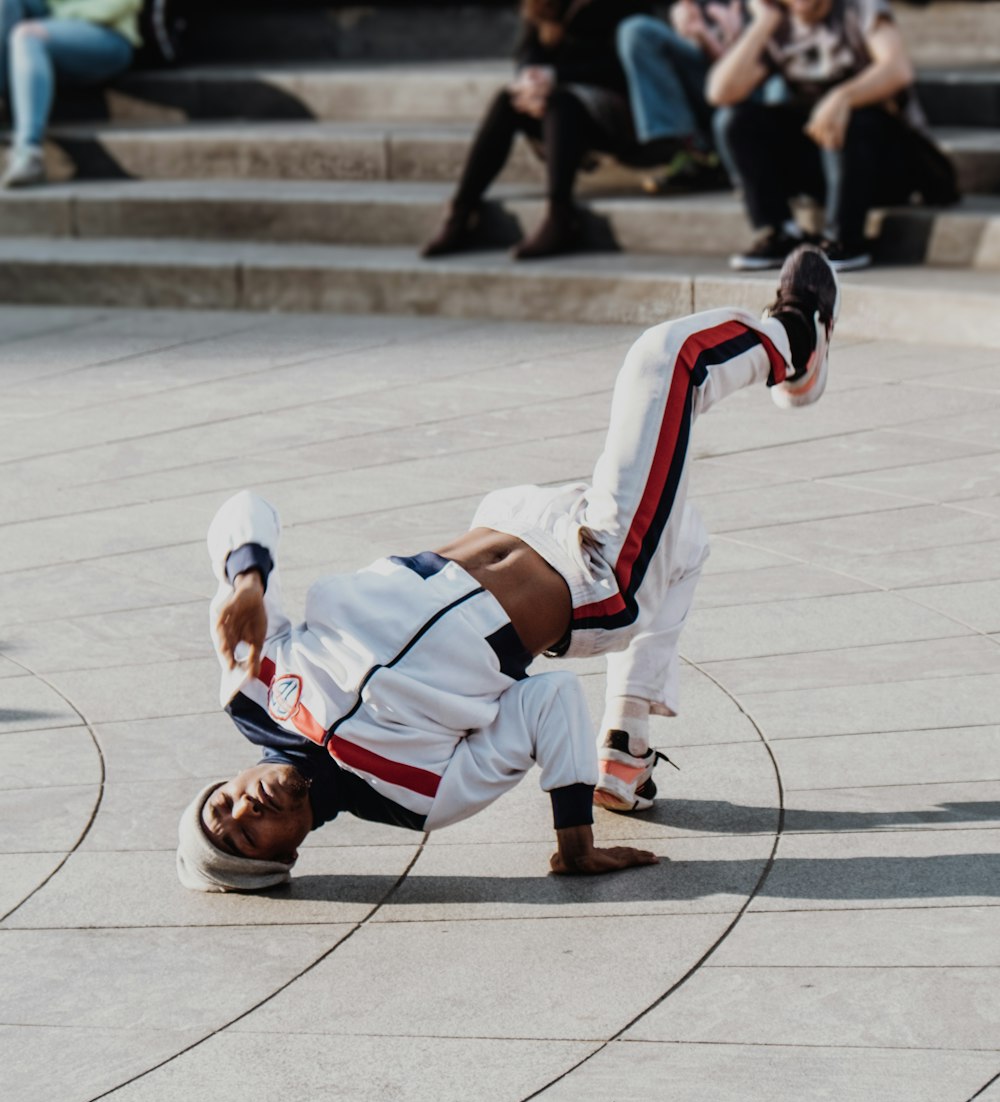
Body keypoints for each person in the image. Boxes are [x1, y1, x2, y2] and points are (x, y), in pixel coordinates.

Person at [177, 245, 840, 893]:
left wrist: (246, 580)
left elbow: (246, 507)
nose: (244, 812)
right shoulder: (416, 795)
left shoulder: (252, 687)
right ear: (284, 859)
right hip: (595, 575)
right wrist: (573, 841)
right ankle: (795, 342)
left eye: (220, 809)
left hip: (512, 516)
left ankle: (624, 756)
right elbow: (546, 700)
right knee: (667, 361)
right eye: (244, 840)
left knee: (685, 542)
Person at [707, 0, 958, 272]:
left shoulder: (861, 8)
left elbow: (898, 69)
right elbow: (721, 93)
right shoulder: (779, 26)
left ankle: (844, 239)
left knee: (848, 118)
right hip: (827, 164)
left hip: (891, 164)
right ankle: (781, 232)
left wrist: (842, 97)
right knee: (734, 120)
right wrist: (763, 22)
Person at [421, 0, 648, 261]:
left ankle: (560, 215)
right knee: (507, 100)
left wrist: (557, 76)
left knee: (561, 102)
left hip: (616, 110)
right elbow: (527, 50)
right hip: (557, 100)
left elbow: (625, 67)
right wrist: (529, 79)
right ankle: (462, 211)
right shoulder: (543, 5)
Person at [0, 0, 142, 189]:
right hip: (55, 23)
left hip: (108, 33)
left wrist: (58, 20)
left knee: (26, 35)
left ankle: (28, 152)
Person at [616, 0, 744, 194]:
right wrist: (686, 28)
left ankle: (716, 158)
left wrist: (706, 38)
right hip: (702, 80)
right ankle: (689, 149)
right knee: (636, 31)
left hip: (747, 79)